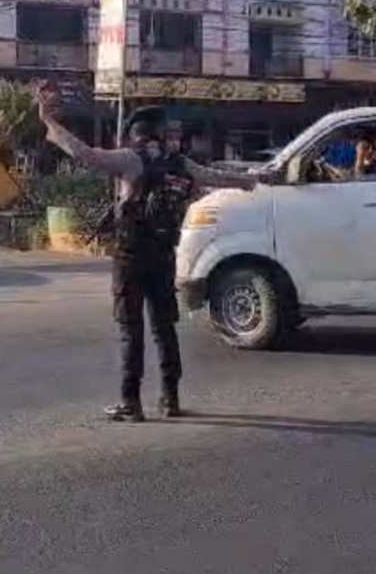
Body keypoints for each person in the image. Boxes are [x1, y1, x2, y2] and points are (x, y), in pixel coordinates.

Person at [37, 89, 256, 422]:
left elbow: (85, 154)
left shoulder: (130, 159)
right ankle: (170, 399)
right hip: (164, 256)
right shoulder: (180, 164)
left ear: (137, 133)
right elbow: (216, 177)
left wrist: (49, 123)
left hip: (130, 257)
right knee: (164, 328)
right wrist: (252, 181)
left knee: (131, 328)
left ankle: (131, 402)